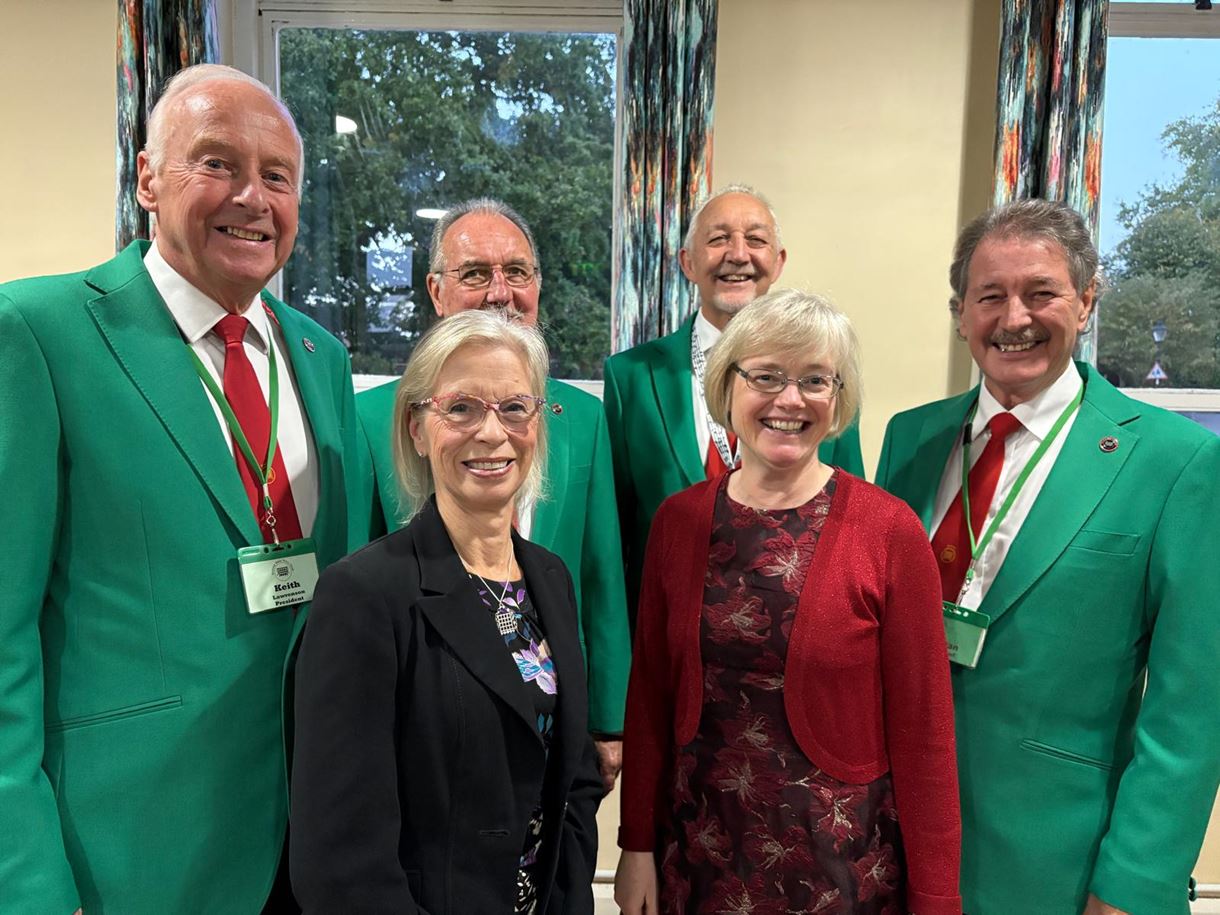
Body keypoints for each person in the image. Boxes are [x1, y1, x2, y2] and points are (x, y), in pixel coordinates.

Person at [0, 64, 369, 912]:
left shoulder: (321, 356)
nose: (252, 195)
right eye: (216, 164)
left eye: (277, 176)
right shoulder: (39, 334)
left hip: (311, 843)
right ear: (146, 179)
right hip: (128, 856)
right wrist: (26, 886)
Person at [876, 198, 1220, 915]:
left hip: (1061, 864)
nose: (1014, 319)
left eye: (1042, 293)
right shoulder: (909, 440)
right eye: (990, 296)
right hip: (896, 839)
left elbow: (1191, 705)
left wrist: (1134, 883)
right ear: (960, 311)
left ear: (1087, 300)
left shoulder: (1176, 461)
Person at [616, 289, 961, 915]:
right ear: (729, 386)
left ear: (838, 399)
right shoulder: (679, 522)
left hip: (841, 870)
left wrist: (937, 899)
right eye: (767, 377)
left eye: (814, 380)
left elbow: (926, 735)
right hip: (698, 857)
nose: (789, 400)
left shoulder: (889, 530)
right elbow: (650, 700)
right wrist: (635, 844)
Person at [292, 309, 601, 913]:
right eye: (461, 408)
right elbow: (339, 857)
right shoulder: (363, 594)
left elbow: (574, 776)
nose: (492, 432)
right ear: (416, 427)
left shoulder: (549, 577)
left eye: (515, 407)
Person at [358, 197, 631, 789]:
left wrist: (609, 721)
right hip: (424, 713)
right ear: (436, 291)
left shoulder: (582, 416)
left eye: (517, 272)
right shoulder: (372, 418)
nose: (499, 291)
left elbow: (602, 573)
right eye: (476, 274)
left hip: (553, 707)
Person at [603, 185, 866, 627]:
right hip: (666, 628)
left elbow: (849, 520)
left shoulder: (825, 383)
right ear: (688, 262)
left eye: (756, 240)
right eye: (718, 238)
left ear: (779, 261)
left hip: (788, 627)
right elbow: (614, 537)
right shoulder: (630, 377)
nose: (738, 254)